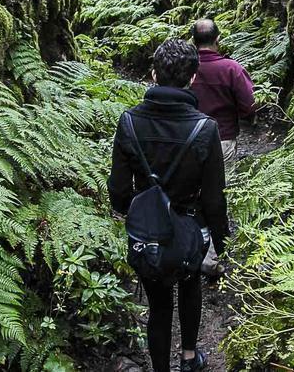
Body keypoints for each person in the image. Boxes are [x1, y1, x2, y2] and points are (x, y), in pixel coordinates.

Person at [109, 39, 228, 372]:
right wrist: (222, 246)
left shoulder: (129, 122)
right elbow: (214, 199)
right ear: (192, 79)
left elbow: (118, 191)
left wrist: (143, 207)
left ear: (153, 74)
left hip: (149, 233)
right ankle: (189, 358)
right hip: (192, 229)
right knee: (190, 285)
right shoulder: (206, 129)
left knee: (159, 303)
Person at [189, 19, 256, 169]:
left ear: (193, 41)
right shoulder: (232, 69)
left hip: (188, 138)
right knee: (222, 188)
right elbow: (250, 104)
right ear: (217, 38)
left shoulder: (185, 67)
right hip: (223, 138)